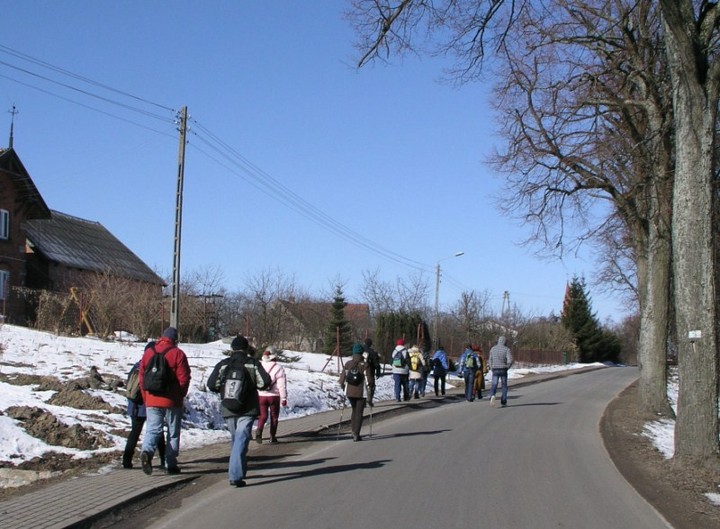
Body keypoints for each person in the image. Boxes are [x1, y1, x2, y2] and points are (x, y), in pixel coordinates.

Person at [207, 335, 271, 487]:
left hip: (229, 406)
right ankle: (235, 475)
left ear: (233, 348)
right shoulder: (252, 363)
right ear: (246, 348)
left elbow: (211, 384)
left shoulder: (223, 364)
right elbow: (265, 382)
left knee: (237, 439)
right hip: (248, 408)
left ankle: (238, 470)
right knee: (241, 440)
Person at [138, 327, 191, 476]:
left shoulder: (148, 353)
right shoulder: (178, 354)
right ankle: (171, 464)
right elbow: (184, 378)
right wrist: (180, 395)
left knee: (153, 429)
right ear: (175, 340)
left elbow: (141, 377)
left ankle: (147, 451)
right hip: (172, 400)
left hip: (152, 399)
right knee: (173, 433)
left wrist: (146, 397)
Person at [122, 356, 166, 470]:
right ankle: (163, 458)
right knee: (157, 432)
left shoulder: (136, 366)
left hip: (134, 406)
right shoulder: (152, 367)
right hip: (148, 405)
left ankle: (126, 461)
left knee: (134, 433)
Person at [338, 343, 375, 441]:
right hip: (360, 392)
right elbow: (369, 380)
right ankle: (356, 434)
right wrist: (370, 389)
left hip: (349, 392)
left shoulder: (348, 364)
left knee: (354, 410)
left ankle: (353, 431)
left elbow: (342, 379)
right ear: (361, 352)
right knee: (359, 412)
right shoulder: (365, 364)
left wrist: (343, 387)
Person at [256, 345, 288, 444]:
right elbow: (281, 385)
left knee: (262, 415)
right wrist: (283, 398)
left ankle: (259, 431)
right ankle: (272, 437)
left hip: (261, 395)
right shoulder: (278, 367)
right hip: (274, 396)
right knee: (274, 416)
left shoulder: (259, 365)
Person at [488, 336, 514, 407]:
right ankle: (503, 400)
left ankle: (492, 395)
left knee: (494, 384)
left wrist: (491, 367)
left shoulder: (493, 349)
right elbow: (510, 360)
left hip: (495, 369)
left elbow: (490, 360)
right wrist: (507, 367)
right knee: (504, 385)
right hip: (503, 369)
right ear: (505, 342)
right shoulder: (507, 349)